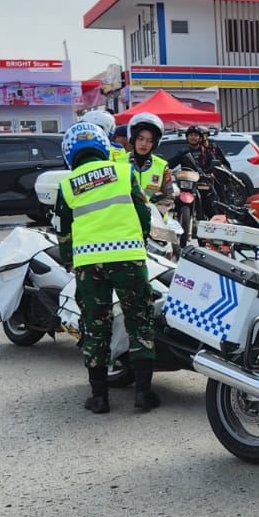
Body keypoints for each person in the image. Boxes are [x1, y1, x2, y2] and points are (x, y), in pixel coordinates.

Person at [54, 122, 158, 414]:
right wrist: (141, 242)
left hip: (89, 264)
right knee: (140, 321)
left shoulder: (67, 184)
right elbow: (143, 213)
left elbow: (63, 231)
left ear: (69, 152)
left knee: (96, 326)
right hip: (128, 259)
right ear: (102, 145)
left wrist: (69, 260)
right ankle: (143, 395)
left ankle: (99, 397)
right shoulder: (124, 172)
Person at [126, 112, 173, 212]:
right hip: (126, 219)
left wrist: (158, 212)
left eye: (150, 140)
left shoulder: (162, 166)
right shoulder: (117, 162)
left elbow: (168, 196)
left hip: (154, 222)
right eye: (140, 139)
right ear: (133, 138)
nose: (144, 144)